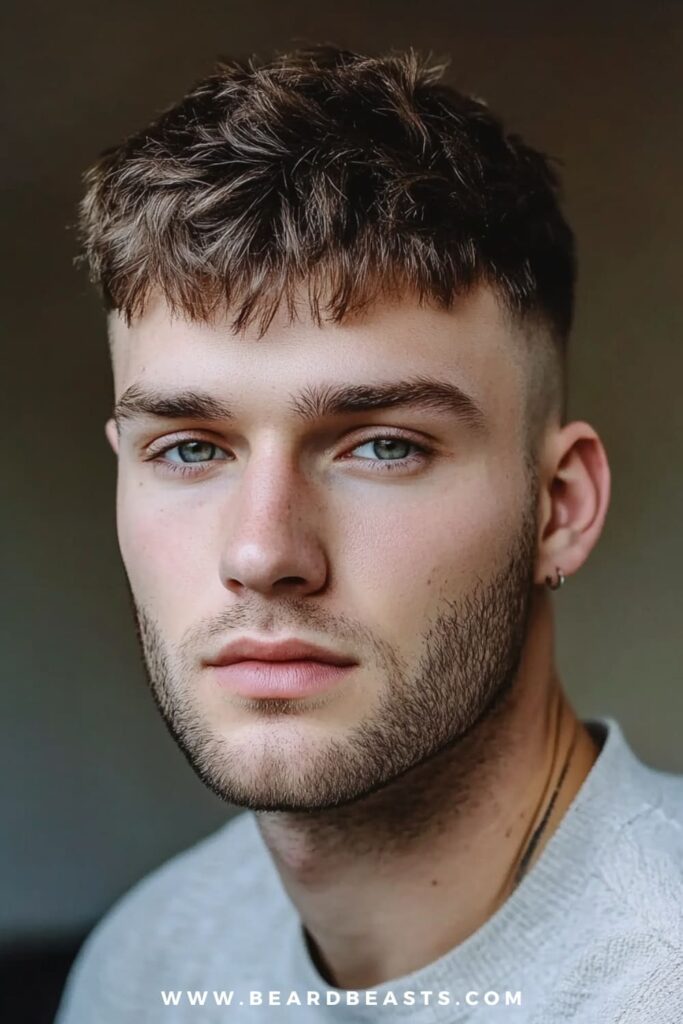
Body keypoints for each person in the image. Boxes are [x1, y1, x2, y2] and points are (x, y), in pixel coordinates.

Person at [55, 46, 682, 1023]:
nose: (262, 553)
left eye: (382, 446)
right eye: (188, 449)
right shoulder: (143, 966)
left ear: (557, 507)